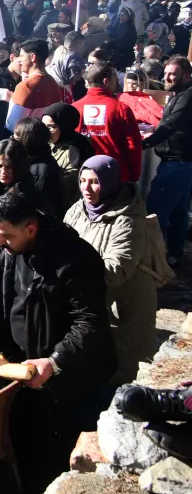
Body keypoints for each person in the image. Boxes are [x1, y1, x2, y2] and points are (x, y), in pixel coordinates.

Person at [0, 189, 116, 485]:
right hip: (21, 367)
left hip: (66, 377)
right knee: (21, 438)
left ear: (31, 228)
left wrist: (55, 362)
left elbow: (89, 323)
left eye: (6, 236)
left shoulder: (75, 258)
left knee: (55, 451)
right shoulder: (5, 249)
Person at [63, 155, 163, 385]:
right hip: (92, 302)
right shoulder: (78, 209)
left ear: (109, 182)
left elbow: (117, 270)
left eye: (95, 182)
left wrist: (68, 271)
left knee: (120, 368)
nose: (86, 188)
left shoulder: (128, 219)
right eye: (83, 180)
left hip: (123, 306)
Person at [143, 56, 192, 262]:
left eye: (173, 74)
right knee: (178, 213)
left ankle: (156, 259)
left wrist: (147, 142)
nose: (168, 77)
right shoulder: (178, 94)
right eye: (166, 73)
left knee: (156, 210)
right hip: (182, 163)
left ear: (187, 76)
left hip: (176, 163)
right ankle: (173, 255)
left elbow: (171, 123)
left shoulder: (187, 96)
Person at [73, 64, 141, 183]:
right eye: (115, 77)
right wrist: (134, 175)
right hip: (114, 175)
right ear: (106, 81)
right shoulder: (121, 109)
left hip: (82, 176)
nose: (118, 81)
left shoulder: (74, 108)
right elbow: (133, 146)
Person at [42, 102, 94, 204]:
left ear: (64, 126)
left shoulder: (77, 151)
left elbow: (69, 187)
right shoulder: (47, 143)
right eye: (43, 126)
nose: (45, 131)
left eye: (51, 127)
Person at [6, 39, 62, 131]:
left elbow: (13, 126)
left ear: (33, 57)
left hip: (27, 141)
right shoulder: (52, 82)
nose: (19, 60)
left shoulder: (26, 86)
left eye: (22, 56)